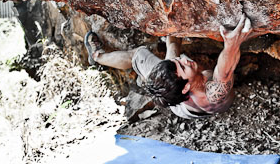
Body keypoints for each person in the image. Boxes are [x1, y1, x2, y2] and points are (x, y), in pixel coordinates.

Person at [84, 17, 255, 120]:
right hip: (183, 108)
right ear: (186, 86)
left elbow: (176, 61)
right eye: (182, 66)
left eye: (179, 62)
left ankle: (169, 36)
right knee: (164, 51)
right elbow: (224, 72)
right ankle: (97, 57)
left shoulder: (175, 71)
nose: (185, 59)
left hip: (172, 89)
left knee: (165, 49)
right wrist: (232, 43)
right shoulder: (212, 95)